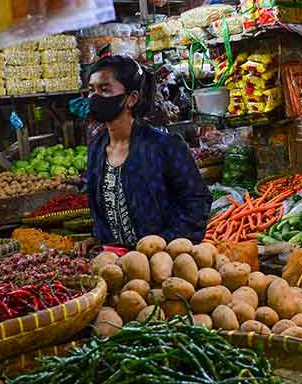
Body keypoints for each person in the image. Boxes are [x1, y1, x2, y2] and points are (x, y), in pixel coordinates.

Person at [77, 55, 211, 253]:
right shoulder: (96, 150)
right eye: (91, 90)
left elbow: (197, 203)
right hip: (115, 265)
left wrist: (163, 246)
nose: (94, 97)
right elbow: (103, 208)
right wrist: (97, 238)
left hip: (164, 265)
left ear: (131, 98)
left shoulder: (164, 146)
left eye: (104, 90)